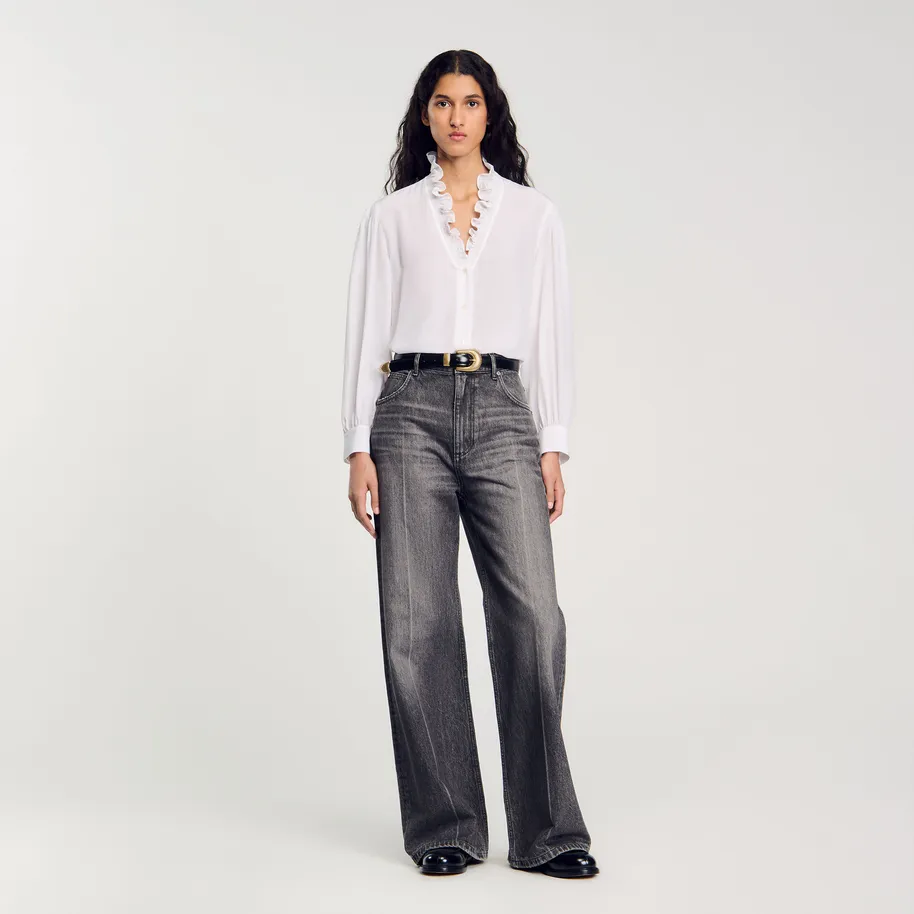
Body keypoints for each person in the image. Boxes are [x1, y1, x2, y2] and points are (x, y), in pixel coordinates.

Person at [340, 49, 598, 879]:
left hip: (501, 409)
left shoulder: (533, 216)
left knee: (534, 618)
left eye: (472, 102)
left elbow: (550, 328)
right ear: (426, 115)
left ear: (492, 115)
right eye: (444, 102)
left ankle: (548, 833)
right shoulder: (391, 219)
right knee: (416, 623)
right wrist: (357, 444)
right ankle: (445, 825)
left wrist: (552, 440)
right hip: (407, 411)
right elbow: (366, 334)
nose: (457, 116)